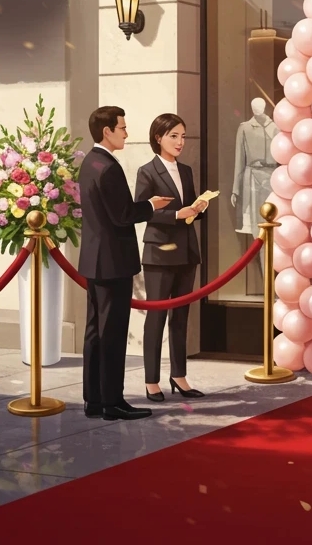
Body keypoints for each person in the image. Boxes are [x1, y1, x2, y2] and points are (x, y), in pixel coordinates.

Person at [79, 107, 173, 421]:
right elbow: (122, 215)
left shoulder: (89, 162)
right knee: (112, 333)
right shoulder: (108, 167)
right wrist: (151, 205)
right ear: (107, 131)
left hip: (95, 260)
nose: (126, 134)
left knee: (95, 332)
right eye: (122, 128)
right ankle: (112, 403)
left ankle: (94, 400)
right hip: (113, 262)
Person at [135, 113, 208, 402]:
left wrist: (198, 208)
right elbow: (143, 212)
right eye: (174, 136)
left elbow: (189, 210)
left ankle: (179, 376)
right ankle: (151, 381)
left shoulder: (186, 170)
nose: (180, 142)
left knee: (181, 317)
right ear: (158, 138)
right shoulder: (147, 171)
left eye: (183, 136)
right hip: (159, 253)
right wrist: (177, 214)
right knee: (156, 317)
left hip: (187, 251)